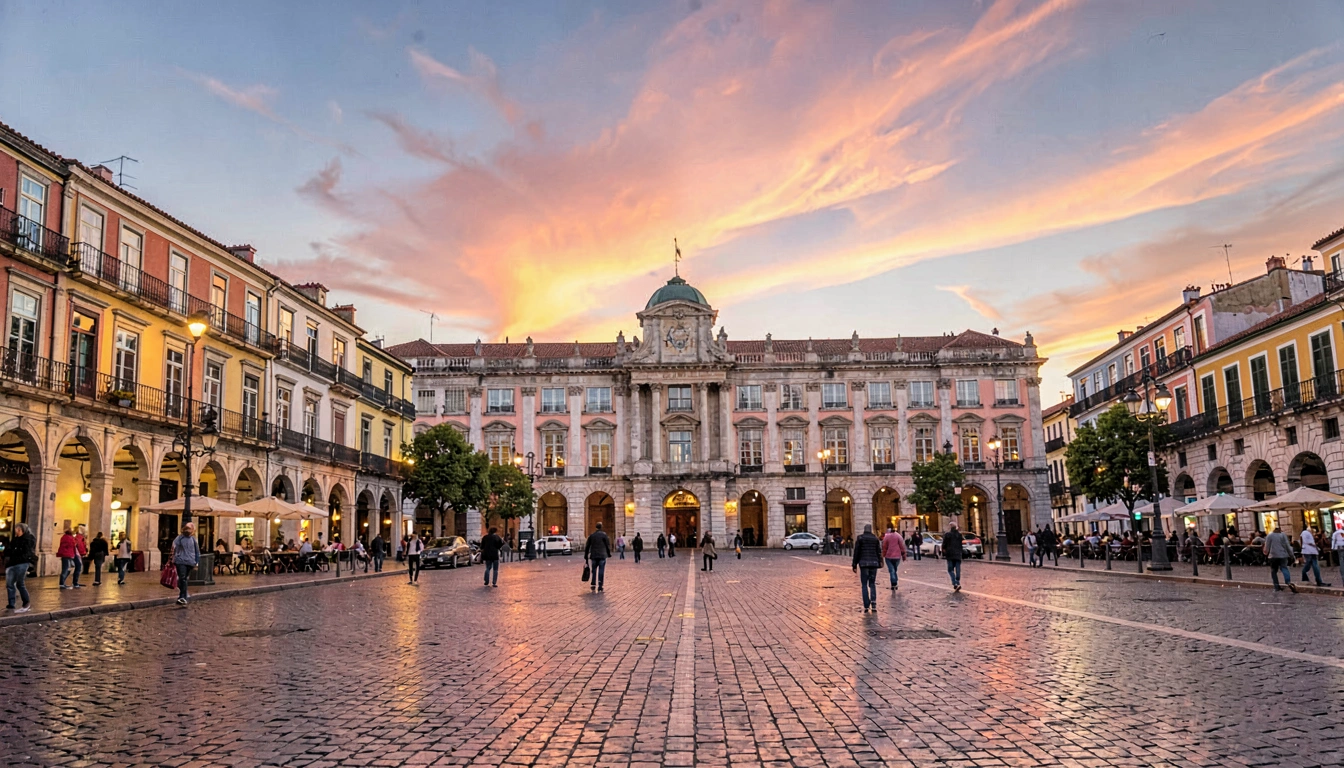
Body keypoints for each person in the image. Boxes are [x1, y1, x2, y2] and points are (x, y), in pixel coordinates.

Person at [852, 524, 883, 613]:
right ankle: (873, 603)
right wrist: (879, 562)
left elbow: (856, 552)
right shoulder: (875, 538)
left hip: (863, 564)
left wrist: (854, 565)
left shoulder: (860, 538)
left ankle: (866, 605)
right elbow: (878, 551)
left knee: (864, 584)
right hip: (874, 564)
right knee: (872, 583)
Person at [5, 522, 35, 612]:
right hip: (12, 563)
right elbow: (8, 550)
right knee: (9, 584)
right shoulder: (15, 540)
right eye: (16, 529)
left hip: (22, 563)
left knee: (20, 583)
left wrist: (16, 552)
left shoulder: (28, 539)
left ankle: (26, 603)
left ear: (22, 530)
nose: (17, 531)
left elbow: (26, 551)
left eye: (18, 529)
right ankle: (11, 604)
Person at [171, 522, 200, 605]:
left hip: (190, 562)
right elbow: (174, 547)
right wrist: (173, 557)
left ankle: (183, 595)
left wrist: (196, 562)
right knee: (182, 578)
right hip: (180, 561)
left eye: (190, 529)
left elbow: (197, 551)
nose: (188, 531)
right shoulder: (179, 538)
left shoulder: (193, 539)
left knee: (184, 579)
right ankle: (183, 597)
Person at [1263, 527, 1297, 593]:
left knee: (1274, 571)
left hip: (1273, 556)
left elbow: (1266, 547)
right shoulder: (1283, 535)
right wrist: (1292, 555)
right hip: (1283, 555)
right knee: (1284, 568)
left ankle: (1276, 586)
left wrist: (1266, 553)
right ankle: (1288, 582)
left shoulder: (1269, 535)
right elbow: (1287, 546)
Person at [585, 522, 611, 592]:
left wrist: (586, 556)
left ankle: (593, 583)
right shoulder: (604, 535)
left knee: (594, 570)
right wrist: (609, 554)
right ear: (601, 527)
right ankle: (600, 585)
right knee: (601, 570)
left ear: (596, 527)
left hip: (594, 555)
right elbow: (607, 545)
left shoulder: (592, 535)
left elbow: (587, 546)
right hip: (602, 555)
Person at [881, 524, 907, 590]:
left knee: (891, 570)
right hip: (897, 556)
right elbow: (902, 546)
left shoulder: (887, 537)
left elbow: (884, 547)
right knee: (894, 570)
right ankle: (895, 581)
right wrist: (903, 555)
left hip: (889, 556)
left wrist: (883, 555)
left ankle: (894, 583)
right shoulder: (898, 536)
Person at [943, 524, 965, 592]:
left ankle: (954, 582)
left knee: (950, 569)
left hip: (950, 554)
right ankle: (957, 581)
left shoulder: (947, 535)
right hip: (958, 554)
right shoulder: (959, 535)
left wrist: (944, 551)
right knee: (958, 568)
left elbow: (944, 544)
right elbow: (961, 544)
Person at [58, 524, 80, 589]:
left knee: (67, 569)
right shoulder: (69, 538)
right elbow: (71, 546)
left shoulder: (64, 537)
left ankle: (62, 582)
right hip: (68, 555)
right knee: (66, 569)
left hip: (67, 555)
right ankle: (62, 583)